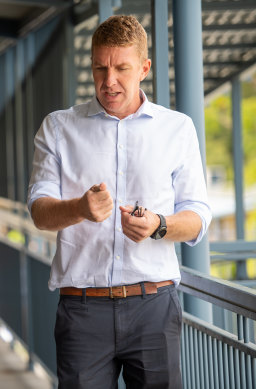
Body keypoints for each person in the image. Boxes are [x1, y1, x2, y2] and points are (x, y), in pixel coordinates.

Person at [27, 15, 211, 389]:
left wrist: (159, 225)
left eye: (121, 68)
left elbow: (198, 216)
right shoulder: (58, 127)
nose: (108, 81)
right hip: (82, 309)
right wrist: (79, 208)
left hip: (154, 306)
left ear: (143, 67)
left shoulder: (177, 129)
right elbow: (39, 212)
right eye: (100, 67)